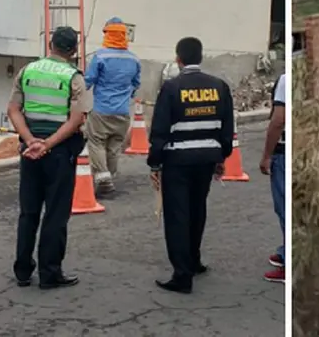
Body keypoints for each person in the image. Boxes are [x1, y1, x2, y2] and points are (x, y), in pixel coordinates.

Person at [148, 37, 235, 294]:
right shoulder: (219, 86)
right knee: (197, 210)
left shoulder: (172, 88)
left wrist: (155, 163)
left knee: (177, 216)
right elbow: (227, 128)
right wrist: (221, 156)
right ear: (201, 57)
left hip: (178, 161)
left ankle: (182, 275)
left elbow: (160, 130)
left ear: (178, 59)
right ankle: (194, 261)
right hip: (206, 159)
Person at [8, 26, 88, 290]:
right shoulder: (74, 77)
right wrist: (49, 144)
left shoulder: (28, 71)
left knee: (28, 212)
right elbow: (77, 119)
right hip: (59, 152)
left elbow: (14, 110)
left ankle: (22, 271)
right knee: (55, 214)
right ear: (74, 50)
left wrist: (30, 141)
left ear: (50, 45)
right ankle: (49, 272)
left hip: (29, 151)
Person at [84, 17, 141, 198]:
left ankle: (103, 181)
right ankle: (110, 177)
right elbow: (136, 84)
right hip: (123, 112)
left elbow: (87, 81)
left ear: (108, 34)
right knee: (114, 146)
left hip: (102, 110)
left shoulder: (101, 56)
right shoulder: (134, 60)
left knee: (97, 143)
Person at [259, 72, 286, 283]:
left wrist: (267, 155)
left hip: (284, 152)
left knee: (285, 207)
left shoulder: (286, 79)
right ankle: (285, 250)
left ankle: (288, 263)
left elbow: (278, 120)